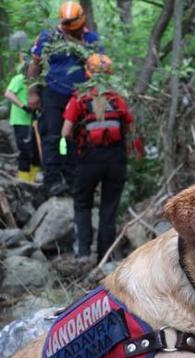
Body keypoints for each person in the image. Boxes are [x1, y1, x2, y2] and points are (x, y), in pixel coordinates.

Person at [61, 54, 138, 263]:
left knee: (82, 203)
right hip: (116, 160)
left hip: (89, 159)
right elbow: (131, 130)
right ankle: (106, 256)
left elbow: (65, 132)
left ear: (87, 73)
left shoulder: (79, 98)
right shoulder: (118, 99)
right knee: (109, 208)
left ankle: (83, 254)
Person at [28, 1, 101, 196]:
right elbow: (35, 65)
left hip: (81, 97)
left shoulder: (91, 38)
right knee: (52, 137)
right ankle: (52, 181)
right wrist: (32, 92)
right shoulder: (48, 37)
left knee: (76, 139)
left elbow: (100, 67)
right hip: (53, 93)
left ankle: (73, 180)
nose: (72, 32)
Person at [4, 62, 40, 183]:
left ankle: (33, 180)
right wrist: (23, 106)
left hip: (35, 121)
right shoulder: (19, 79)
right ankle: (24, 181)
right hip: (21, 121)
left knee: (36, 152)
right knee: (25, 151)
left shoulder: (38, 81)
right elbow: (8, 94)